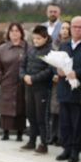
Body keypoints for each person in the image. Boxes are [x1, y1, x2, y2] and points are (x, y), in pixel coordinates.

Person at [56, 16, 81, 162]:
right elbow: (57, 63)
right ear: (70, 28)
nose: (77, 29)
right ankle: (66, 149)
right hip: (63, 89)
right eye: (74, 27)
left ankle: (74, 151)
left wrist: (77, 73)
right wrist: (58, 70)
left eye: (80, 27)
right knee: (64, 123)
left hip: (79, 92)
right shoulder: (64, 45)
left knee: (76, 124)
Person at [19, 25, 54, 153]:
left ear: (45, 38)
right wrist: (24, 76)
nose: (36, 41)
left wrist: (34, 78)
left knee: (41, 117)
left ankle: (44, 143)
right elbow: (22, 65)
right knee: (31, 115)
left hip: (42, 89)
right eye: (34, 38)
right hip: (29, 88)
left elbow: (50, 70)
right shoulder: (30, 50)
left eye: (38, 38)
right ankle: (32, 141)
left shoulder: (51, 51)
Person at [0, 22, 28, 141]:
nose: (14, 33)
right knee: (6, 108)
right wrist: (0, 79)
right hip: (6, 82)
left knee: (21, 108)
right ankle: (5, 132)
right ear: (8, 33)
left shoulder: (26, 47)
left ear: (21, 33)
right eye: (12, 31)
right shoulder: (2, 48)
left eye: (17, 31)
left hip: (21, 83)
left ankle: (20, 133)